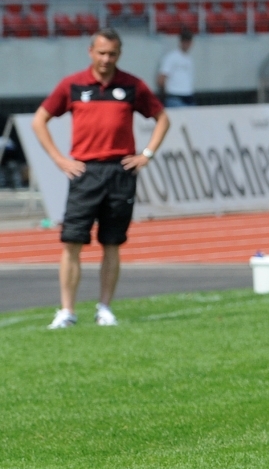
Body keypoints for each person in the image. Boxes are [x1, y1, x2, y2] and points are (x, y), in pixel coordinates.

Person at [31, 28, 169, 329]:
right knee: (72, 241)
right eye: (102, 53)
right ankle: (67, 311)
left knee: (112, 243)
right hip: (85, 171)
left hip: (120, 171)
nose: (106, 59)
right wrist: (58, 158)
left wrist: (146, 154)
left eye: (112, 54)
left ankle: (105, 308)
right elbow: (39, 119)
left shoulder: (132, 85)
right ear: (90, 52)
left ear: (119, 55)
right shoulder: (73, 85)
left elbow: (162, 119)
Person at [156, 29, 195, 107]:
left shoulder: (189, 59)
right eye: (185, 41)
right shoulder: (171, 57)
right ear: (181, 41)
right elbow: (161, 78)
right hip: (175, 97)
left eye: (189, 41)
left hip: (188, 96)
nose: (187, 44)